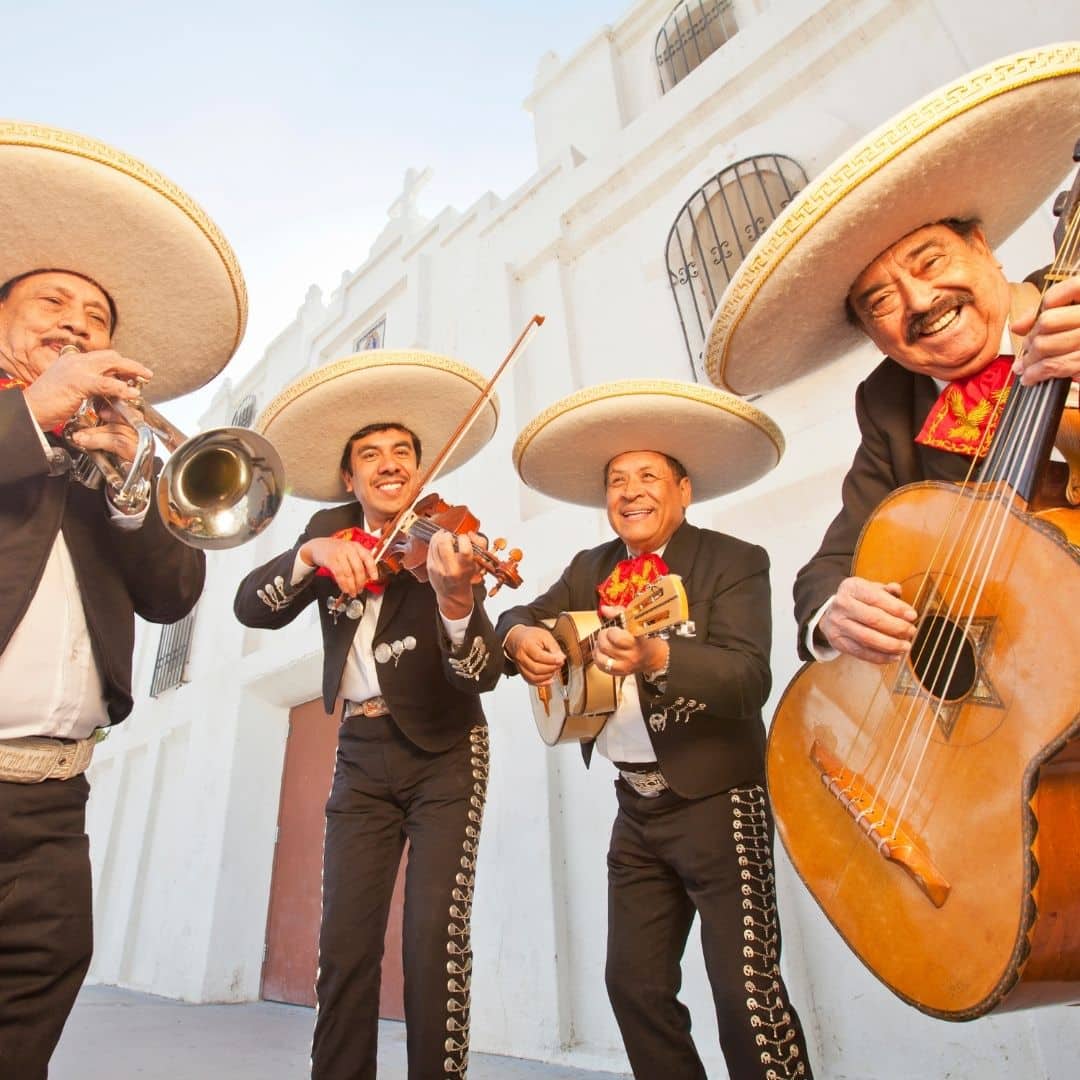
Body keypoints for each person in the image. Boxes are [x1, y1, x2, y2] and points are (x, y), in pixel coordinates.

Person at [697, 43, 1080, 662]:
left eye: (930, 261)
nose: (921, 301)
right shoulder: (889, 402)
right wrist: (835, 614)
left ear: (982, 246)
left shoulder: (1075, 292)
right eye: (880, 302)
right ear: (872, 337)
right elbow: (825, 569)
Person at [0, 122, 247, 1079]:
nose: (75, 323)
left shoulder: (109, 457)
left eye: (95, 319)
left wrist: (135, 479)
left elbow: (172, 593)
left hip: (56, 795)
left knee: (37, 991)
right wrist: (34, 412)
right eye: (50, 302)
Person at [496, 380, 812, 1080]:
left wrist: (658, 655)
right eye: (616, 481)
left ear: (683, 490)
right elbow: (516, 617)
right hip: (634, 808)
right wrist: (520, 636)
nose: (629, 492)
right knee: (633, 986)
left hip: (718, 799)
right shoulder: (589, 569)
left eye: (647, 477)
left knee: (745, 996)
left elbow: (746, 680)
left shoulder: (732, 561)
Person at [233, 350, 504, 1080]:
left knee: (432, 942)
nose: (389, 464)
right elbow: (250, 609)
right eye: (370, 455)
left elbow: (484, 671)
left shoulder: (447, 540)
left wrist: (457, 602)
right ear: (350, 478)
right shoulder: (327, 530)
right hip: (360, 747)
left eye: (403, 454)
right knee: (345, 943)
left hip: (446, 751)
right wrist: (310, 555)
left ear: (420, 472)